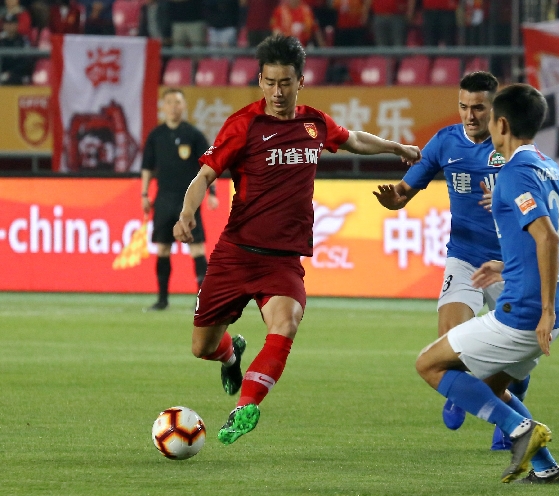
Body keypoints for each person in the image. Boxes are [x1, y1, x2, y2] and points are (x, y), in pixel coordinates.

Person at [172, 34, 421, 445]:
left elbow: (354, 139)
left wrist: (396, 147)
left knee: (286, 323)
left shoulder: (314, 124)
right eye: (270, 82)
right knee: (202, 347)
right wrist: (186, 215)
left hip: (283, 260)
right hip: (236, 254)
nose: (277, 92)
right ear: (260, 81)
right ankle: (231, 355)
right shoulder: (244, 124)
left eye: (285, 83)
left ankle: (245, 406)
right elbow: (204, 176)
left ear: (300, 82)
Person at [415, 83, 559, 484]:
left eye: (489, 117)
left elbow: (549, 239)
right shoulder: (551, 169)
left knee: (429, 364)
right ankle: (546, 469)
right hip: (555, 313)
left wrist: (542, 309)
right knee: (489, 389)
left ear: (502, 124)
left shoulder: (511, 175)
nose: (484, 124)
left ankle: (520, 430)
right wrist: (508, 265)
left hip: (526, 314)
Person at [373, 70, 528, 451]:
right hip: (465, 258)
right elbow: (405, 190)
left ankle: (506, 408)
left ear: (495, 109)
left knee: (511, 357)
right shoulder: (445, 142)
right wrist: (395, 200)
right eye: (463, 106)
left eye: (479, 108)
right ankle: (498, 412)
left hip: (510, 264)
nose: (470, 115)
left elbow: (536, 201)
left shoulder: (514, 148)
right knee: (451, 342)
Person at [141, 88, 219, 311]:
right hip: (164, 199)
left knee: (197, 249)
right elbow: (147, 167)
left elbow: (209, 165)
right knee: (163, 249)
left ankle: (202, 301)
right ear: (163, 106)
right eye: (169, 102)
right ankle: (162, 299)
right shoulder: (156, 136)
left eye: (177, 102)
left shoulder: (193, 135)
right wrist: (144, 194)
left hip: (188, 202)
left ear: (184, 106)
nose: (173, 107)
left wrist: (212, 193)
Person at [0, 14, 32, 85]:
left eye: (11, 24)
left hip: (18, 74)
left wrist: (11, 73)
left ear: (17, 25)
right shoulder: (1, 40)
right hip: (2, 72)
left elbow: (27, 61)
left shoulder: (23, 40)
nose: (9, 26)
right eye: (6, 24)